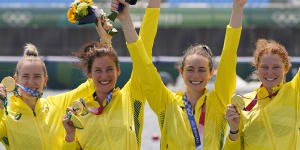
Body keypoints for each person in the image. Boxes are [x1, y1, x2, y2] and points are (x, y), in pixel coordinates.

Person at [127, 0, 247, 149]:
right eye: (190, 69)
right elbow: (143, 62)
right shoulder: (166, 103)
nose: (196, 76)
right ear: (181, 72)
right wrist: (127, 18)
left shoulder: (219, 102)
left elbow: (229, 54)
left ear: (211, 73)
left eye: (202, 70)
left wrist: (238, 7)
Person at [62, 0, 160, 149]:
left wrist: (128, 19)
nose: (104, 76)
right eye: (98, 71)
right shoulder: (79, 111)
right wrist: (69, 137)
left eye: (109, 69)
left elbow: (144, 49)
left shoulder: (132, 97)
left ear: (118, 70)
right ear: (89, 73)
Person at [0, 43, 95, 149]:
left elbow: (93, 84)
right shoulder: (6, 117)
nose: (31, 82)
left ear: (45, 80)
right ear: (16, 80)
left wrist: (106, 41)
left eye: (37, 76)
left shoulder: (58, 104)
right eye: (25, 76)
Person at [223, 39, 300, 150]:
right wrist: (234, 130)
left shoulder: (295, 92)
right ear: (257, 69)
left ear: (286, 69)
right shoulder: (244, 103)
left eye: (276, 67)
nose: (270, 72)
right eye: (264, 67)